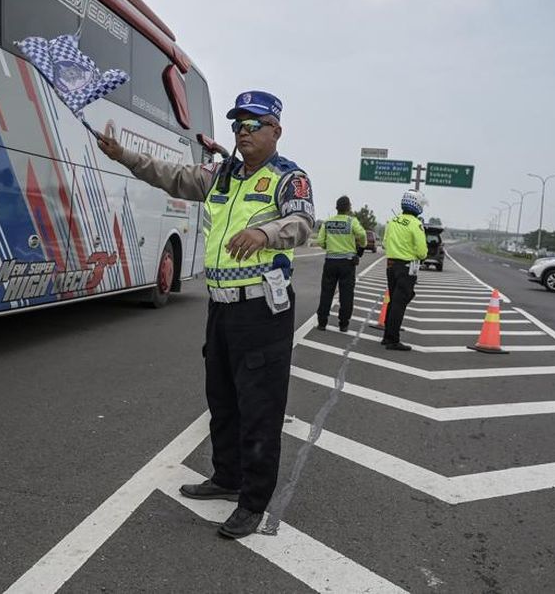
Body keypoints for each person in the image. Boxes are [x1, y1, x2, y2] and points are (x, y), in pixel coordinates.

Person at [95, 90, 313, 539]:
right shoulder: (223, 175)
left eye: (253, 124)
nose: (242, 132)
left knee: (259, 408)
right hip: (222, 307)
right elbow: (171, 176)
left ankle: (253, 502)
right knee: (223, 399)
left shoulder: (289, 178)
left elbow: (302, 223)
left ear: (276, 130)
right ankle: (227, 477)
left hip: (262, 310)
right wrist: (124, 156)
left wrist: (264, 231)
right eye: (238, 125)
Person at [380, 190, 430, 351]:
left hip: (390, 265)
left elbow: (385, 243)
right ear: (417, 205)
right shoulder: (416, 224)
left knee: (393, 300)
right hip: (407, 267)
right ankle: (393, 340)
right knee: (399, 303)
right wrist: (415, 254)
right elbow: (422, 251)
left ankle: (387, 336)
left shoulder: (393, 221)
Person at [315, 196, 367, 332]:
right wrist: (361, 247)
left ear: (336, 207)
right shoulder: (352, 221)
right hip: (347, 263)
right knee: (346, 294)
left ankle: (322, 322)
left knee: (326, 292)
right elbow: (362, 235)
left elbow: (320, 241)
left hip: (330, 261)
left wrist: (328, 246)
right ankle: (343, 324)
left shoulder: (328, 222)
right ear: (349, 208)